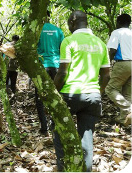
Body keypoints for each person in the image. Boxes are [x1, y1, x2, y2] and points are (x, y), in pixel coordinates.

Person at [53, 10, 110, 171]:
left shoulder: (68, 41)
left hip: (70, 95)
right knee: (87, 140)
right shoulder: (100, 43)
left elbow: (63, 72)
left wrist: (53, 93)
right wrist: (99, 92)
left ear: (72, 22)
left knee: (59, 132)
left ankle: (63, 168)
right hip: (92, 97)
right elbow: (106, 75)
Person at [36, 10, 64, 135]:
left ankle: (44, 127)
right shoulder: (58, 30)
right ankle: (55, 124)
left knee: (40, 97)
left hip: (43, 66)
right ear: (49, 17)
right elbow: (62, 48)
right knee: (57, 95)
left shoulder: (37, 31)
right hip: (57, 66)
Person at [105, 14, 132, 126]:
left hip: (122, 63)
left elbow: (112, 50)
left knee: (110, 89)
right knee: (128, 93)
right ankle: (123, 119)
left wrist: (108, 64)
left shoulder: (117, 32)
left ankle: (128, 108)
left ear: (119, 22)